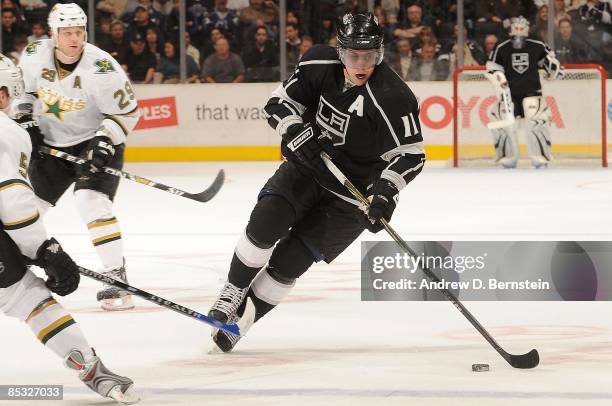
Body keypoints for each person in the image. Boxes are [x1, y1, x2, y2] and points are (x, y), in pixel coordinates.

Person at [207, 11, 425, 352]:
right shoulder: (316, 64)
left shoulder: (394, 97)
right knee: (265, 225)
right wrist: (293, 130)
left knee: (290, 263)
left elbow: (411, 155)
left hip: (352, 199)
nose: (362, 63)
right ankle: (233, 289)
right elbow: (277, 104)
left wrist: (385, 194)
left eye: (369, 55)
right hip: (307, 168)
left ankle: (244, 320)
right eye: (354, 55)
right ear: (340, 52)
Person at [0, 53, 139, 404]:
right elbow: (13, 202)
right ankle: (92, 370)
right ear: (3, 94)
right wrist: (43, 251)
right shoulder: (6, 131)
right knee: (26, 296)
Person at [14, 3, 141, 310]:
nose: (74, 38)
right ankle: (9, 266)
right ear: (52, 33)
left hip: (95, 143)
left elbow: (127, 112)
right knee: (27, 207)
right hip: (52, 146)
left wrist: (104, 140)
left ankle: (116, 277)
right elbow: (22, 93)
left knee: (91, 202)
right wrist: (26, 119)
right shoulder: (33, 55)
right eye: (67, 32)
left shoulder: (102, 67)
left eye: (79, 31)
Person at [485, 16, 564, 168]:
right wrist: (499, 80)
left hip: (532, 92)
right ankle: (507, 157)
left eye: (522, 28)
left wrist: (554, 68)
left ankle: (540, 156)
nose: (519, 31)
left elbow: (552, 65)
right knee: (501, 120)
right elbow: (492, 68)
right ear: (510, 29)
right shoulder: (502, 48)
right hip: (509, 95)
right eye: (516, 28)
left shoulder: (538, 46)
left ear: (527, 30)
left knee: (537, 122)